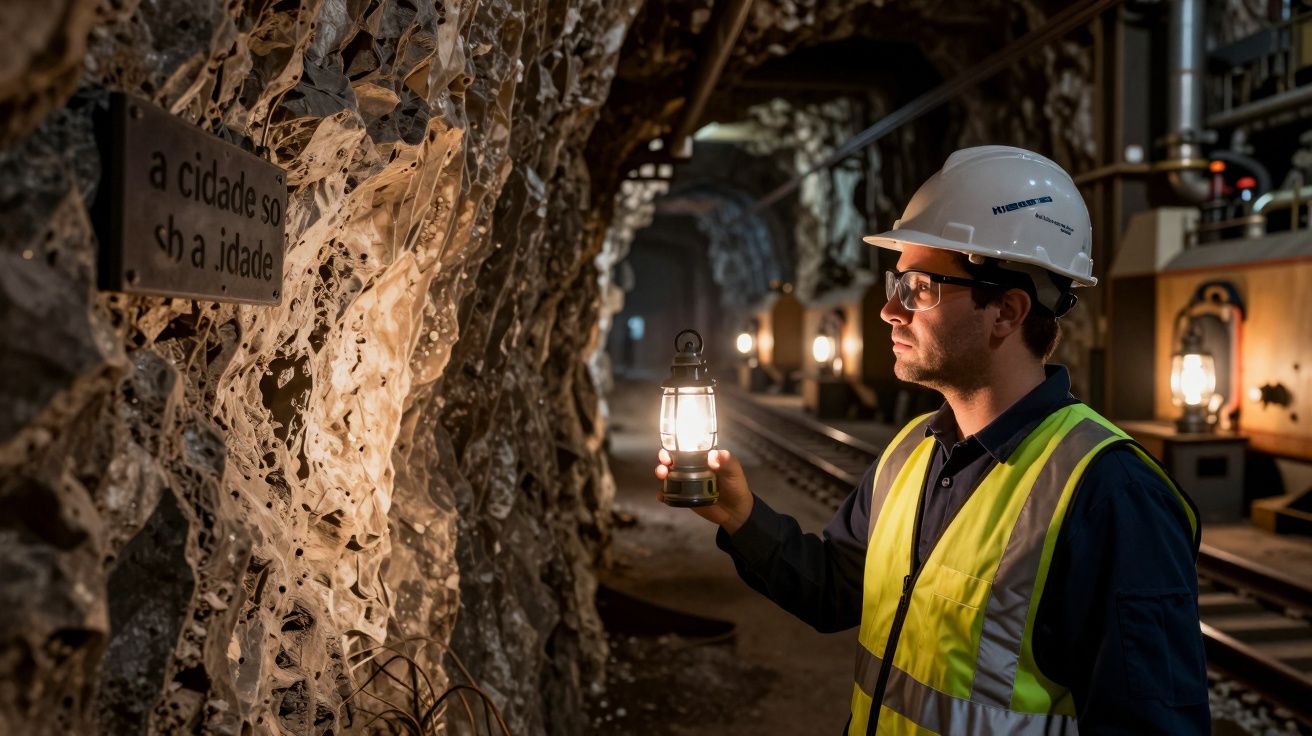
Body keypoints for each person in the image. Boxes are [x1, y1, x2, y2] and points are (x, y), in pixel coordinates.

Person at [655, 146, 1208, 734]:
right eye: (897, 282)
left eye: (919, 287)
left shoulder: (1112, 495)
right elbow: (835, 593)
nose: (890, 310)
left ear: (1007, 312)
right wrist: (741, 517)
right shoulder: (912, 452)